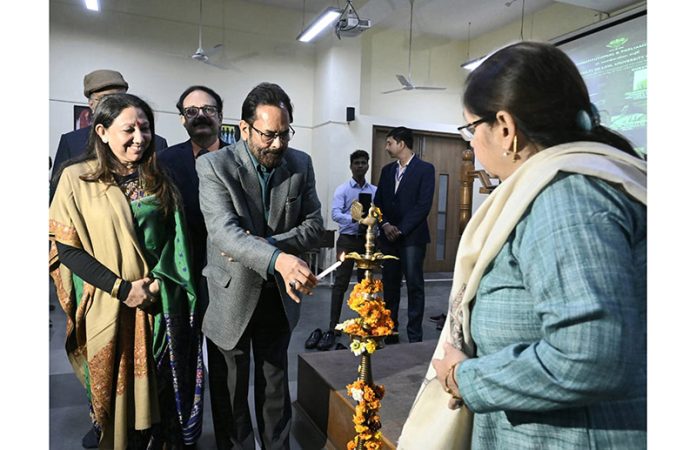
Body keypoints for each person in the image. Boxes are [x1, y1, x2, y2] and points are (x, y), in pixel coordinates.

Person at [402, 41, 647, 449]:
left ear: (505, 128)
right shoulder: (566, 185)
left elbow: (590, 356)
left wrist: (465, 378)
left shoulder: (567, 198)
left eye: (470, 129)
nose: (471, 145)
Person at [49, 93, 204, 449]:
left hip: (157, 307)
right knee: (114, 408)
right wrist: (122, 289)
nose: (139, 137)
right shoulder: (77, 180)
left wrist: (155, 287)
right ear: (101, 132)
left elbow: (176, 243)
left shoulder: (158, 178)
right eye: (129, 129)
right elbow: (66, 249)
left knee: (160, 402)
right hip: (107, 305)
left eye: (145, 128)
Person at [196, 82, 324, 449]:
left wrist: (270, 251)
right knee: (231, 397)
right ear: (244, 127)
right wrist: (278, 258)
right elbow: (223, 232)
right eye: (269, 135)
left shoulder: (300, 164)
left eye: (285, 134)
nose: (278, 144)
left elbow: (314, 225)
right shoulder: (213, 165)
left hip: (278, 298)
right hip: (230, 297)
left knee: (275, 392)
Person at [157, 85, 234, 449]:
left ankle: (228, 439)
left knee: (224, 366)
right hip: (180, 278)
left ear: (220, 114)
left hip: (229, 279)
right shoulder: (165, 161)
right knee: (180, 359)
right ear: (182, 119)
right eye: (191, 111)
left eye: (208, 109)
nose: (200, 115)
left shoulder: (239, 160)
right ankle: (180, 436)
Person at [50, 69, 168, 203]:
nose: (138, 139)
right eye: (105, 99)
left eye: (120, 98)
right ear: (91, 104)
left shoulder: (156, 143)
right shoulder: (72, 142)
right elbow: (58, 199)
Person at [305, 150, 377, 351]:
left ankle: (365, 323)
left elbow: (379, 214)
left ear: (368, 165)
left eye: (364, 162)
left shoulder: (374, 190)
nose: (360, 166)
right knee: (340, 284)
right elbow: (336, 213)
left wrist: (372, 222)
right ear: (351, 166)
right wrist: (354, 219)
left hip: (366, 242)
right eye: (357, 163)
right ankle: (333, 326)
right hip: (347, 240)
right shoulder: (343, 190)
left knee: (366, 285)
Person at [373, 127, 434, 344]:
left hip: (412, 238)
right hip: (388, 239)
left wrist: (400, 229)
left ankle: (415, 336)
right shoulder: (387, 171)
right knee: (390, 286)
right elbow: (377, 202)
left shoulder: (425, 169)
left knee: (414, 285)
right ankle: (390, 332)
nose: (387, 147)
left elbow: (423, 205)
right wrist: (385, 224)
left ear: (401, 143)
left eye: (389, 143)